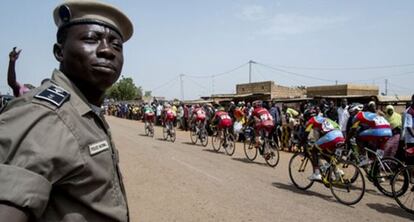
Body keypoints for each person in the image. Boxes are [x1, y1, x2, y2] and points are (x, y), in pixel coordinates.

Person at [0, 1, 133, 221]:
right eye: (91, 39)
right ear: (59, 52)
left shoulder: (83, 111)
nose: (107, 50)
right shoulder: (43, 115)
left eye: (116, 45)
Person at [301, 108, 345, 181]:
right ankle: (337, 171)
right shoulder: (323, 118)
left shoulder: (312, 120)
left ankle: (317, 173)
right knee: (325, 152)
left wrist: (301, 143)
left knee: (313, 150)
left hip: (331, 136)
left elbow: (306, 134)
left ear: (307, 117)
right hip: (340, 135)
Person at [403, 95, 414, 166]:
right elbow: (409, 127)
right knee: (410, 161)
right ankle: (407, 176)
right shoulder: (409, 111)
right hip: (411, 140)